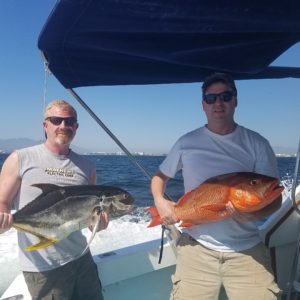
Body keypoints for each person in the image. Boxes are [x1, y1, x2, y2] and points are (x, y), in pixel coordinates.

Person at [151, 73, 282, 300]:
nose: (218, 103)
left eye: (225, 96)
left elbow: (276, 198)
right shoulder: (186, 142)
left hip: (247, 252)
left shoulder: (257, 143)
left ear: (236, 100)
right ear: (203, 105)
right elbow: (159, 178)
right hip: (196, 249)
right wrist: (160, 202)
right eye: (211, 98)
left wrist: (252, 216)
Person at [0, 99, 108, 300]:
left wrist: (97, 225)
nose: (63, 126)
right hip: (43, 267)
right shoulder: (21, 158)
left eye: (69, 121)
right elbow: (2, 201)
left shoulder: (87, 166)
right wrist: (3, 220)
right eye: (56, 120)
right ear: (45, 125)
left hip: (81, 258)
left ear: (76, 126)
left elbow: (86, 214)